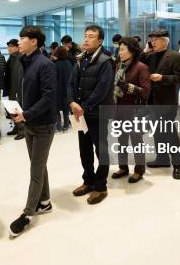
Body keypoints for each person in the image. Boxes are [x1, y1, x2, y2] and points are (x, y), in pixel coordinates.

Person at [8, 26, 57, 237]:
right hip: (28, 122)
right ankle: (44, 203)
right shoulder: (23, 62)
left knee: (35, 170)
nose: (19, 42)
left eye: (22, 38)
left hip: (43, 124)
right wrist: (19, 111)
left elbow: (49, 97)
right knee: (38, 164)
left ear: (34, 41)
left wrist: (27, 114)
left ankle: (28, 213)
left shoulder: (44, 64)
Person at [68, 25, 115, 204]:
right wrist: (71, 101)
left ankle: (101, 186)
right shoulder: (80, 59)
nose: (86, 39)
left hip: (98, 113)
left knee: (101, 150)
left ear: (100, 41)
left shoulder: (105, 61)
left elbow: (102, 89)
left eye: (91, 37)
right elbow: (70, 83)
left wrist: (84, 107)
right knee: (84, 150)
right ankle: (88, 181)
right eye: (85, 36)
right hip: (81, 114)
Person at [141, 30, 180, 179]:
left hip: (166, 102)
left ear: (165, 41)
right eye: (151, 39)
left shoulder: (175, 56)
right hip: (152, 101)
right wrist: (145, 50)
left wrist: (163, 78)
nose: (153, 42)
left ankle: (178, 164)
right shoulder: (150, 56)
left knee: (170, 134)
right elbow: (137, 64)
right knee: (157, 132)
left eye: (156, 39)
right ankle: (162, 158)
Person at [111, 36, 150, 183]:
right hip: (119, 109)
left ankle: (139, 170)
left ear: (131, 51)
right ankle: (123, 167)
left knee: (136, 141)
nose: (119, 52)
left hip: (134, 112)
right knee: (121, 140)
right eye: (119, 49)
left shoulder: (141, 67)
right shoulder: (119, 66)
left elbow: (146, 92)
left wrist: (128, 87)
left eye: (122, 49)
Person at [4, 39, 24, 139]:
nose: (9, 48)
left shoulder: (20, 58)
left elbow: (19, 75)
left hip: (17, 89)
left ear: (17, 47)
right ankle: (16, 128)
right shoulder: (11, 58)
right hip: (11, 88)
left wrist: (17, 90)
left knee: (18, 109)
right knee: (12, 110)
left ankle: (22, 130)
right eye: (9, 46)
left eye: (11, 46)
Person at [54, 46, 73, 132]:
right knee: (66, 108)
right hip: (67, 89)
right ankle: (66, 125)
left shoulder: (55, 64)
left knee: (56, 109)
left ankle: (58, 126)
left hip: (57, 89)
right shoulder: (69, 63)